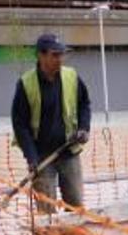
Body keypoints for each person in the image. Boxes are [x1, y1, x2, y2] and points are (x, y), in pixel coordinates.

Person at [12, 33, 91, 213]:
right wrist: (31, 157)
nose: (60, 59)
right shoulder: (26, 84)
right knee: (46, 210)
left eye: (62, 54)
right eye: (55, 55)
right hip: (42, 158)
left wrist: (84, 128)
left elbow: (84, 104)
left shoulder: (71, 76)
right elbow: (20, 124)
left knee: (76, 205)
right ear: (41, 55)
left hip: (68, 150)